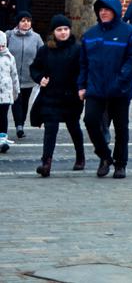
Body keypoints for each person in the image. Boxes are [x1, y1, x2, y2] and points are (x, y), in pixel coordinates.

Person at [78, 0, 132, 179]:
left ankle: (120, 164)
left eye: (107, 10)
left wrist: (119, 81)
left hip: (120, 91)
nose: (103, 13)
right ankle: (105, 157)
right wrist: (81, 85)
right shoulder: (90, 34)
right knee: (91, 121)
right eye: (100, 10)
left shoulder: (128, 32)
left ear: (115, 11)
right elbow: (83, 63)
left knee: (121, 128)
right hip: (96, 89)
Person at [30, 15, 85, 177]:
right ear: (53, 32)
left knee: (73, 127)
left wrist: (82, 87)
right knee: (50, 129)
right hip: (50, 96)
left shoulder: (77, 49)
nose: (63, 33)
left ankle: (80, 156)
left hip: (71, 97)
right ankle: (46, 162)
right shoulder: (45, 50)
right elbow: (34, 68)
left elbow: (83, 70)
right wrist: (40, 78)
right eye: (59, 30)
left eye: (66, 29)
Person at [6, 11, 43, 139]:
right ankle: (19, 127)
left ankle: (21, 124)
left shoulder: (36, 38)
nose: (26, 23)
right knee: (16, 100)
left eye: (28, 20)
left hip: (28, 76)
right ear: (18, 22)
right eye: (23, 20)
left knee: (25, 102)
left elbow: (42, 55)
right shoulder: (9, 35)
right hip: (12, 77)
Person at [0, 32, 18, 152]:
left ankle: (2, 137)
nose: (1, 48)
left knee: (3, 115)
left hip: (5, 93)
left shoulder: (10, 57)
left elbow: (14, 75)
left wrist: (16, 91)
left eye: (2, 45)